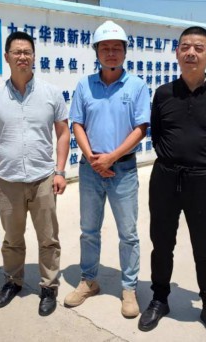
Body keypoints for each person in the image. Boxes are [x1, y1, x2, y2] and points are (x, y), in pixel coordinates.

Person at [137, 26, 206, 341]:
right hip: (165, 178)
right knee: (161, 243)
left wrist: (203, 161)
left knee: (205, 246)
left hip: (203, 181)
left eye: (198, 47)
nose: (190, 53)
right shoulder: (164, 93)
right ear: (177, 52)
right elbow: (157, 133)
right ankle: (159, 298)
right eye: (185, 47)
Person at [0, 31, 70, 317]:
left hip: (43, 179)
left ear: (34, 56)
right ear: (6, 57)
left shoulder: (51, 94)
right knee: (13, 238)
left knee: (48, 238)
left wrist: (60, 171)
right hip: (8, 181)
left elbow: (63, 133)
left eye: (27, 52)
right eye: (16, 52)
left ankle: (49, 287)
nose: (22, 57)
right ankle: (13, 281)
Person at [64, 20, 150, 319]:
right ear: (97, 52)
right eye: (105, 48)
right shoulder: (84, 85)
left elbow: (141, 128)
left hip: (123, 170)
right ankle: (89, 280)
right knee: (89, 230)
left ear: (125, 52)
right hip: (91, 170)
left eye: (116, 48)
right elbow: (76, 123)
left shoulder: (137, 86)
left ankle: (129, 288)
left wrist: (111, 157)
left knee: (128, 233)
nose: (111, 53)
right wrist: (92, 158)